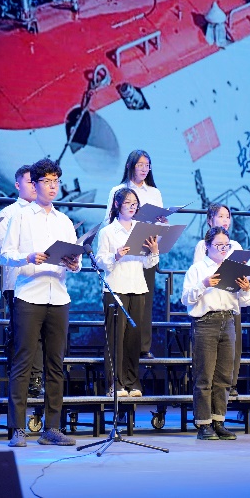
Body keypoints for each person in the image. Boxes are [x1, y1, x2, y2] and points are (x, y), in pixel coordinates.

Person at [0, 158, 82, 447]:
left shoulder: (64, 221)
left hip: (58, 295)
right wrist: (28, 257)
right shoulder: (21, 217)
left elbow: (75, 261)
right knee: (23, 362)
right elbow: (6, 254)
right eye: (46, 181)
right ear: (34, 185)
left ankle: (52, 428)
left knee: (56, 364)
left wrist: (74, 264)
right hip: (29, 295)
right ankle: (18, 429)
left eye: (55, 181)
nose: (52, 186)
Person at [182, 226, 250, 440]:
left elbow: (244, 302)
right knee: (204, 375)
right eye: (218, 245)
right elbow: (186, 299)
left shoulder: (234, 268)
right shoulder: (197, 269)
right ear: (207, 246)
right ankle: (204, 424)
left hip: (228, 321)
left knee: (224, 376)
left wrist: (246, 289)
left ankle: (218, 420)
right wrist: (203, 284)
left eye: (226, 246)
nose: (223, 249)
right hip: (205, 322)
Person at [94, 187, 159, 398]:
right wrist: (116, 255)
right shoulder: (108, 231)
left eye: (135, 204)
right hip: (116, 288)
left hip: (137, 287)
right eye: (128, 203)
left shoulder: (140, 230)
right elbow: (100, 261)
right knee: (116, 339)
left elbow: (148, 263)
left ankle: (132, 382)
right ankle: (115, 383)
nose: (132, 207)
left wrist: (154, 252)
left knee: (133, 339)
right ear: (117, 205)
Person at [0, 165, 45, 398]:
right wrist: (26, 249)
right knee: (21, 332)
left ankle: (36, 378)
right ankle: (19, 378)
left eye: (36, 181)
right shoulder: (9, 213)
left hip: (42, 280)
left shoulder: (45, 213)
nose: (34, 185)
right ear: (17, 185)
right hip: (17, 282)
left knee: (40, 333)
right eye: (29, 181)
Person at [104, 150, 165, 360]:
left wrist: (162, 224)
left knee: (145, 299)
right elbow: (108, 220)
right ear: (130, 166)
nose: (144, 169)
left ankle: (143, 346)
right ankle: (122, 346)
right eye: (140, 164)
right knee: (122, 301)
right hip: (122, 251)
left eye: (147, 165)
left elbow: (159, 221)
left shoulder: (154, 192)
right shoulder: (118, 190)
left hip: (146, 248)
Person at [192, 203, 244, 397]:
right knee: (209, 356)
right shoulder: (202, 245)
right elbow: (198, 273)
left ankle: (231, 384)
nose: (225, 220)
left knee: (233, 347)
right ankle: (212, 389)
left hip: (231, 301)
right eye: (220, 216)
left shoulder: (235, 246)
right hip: (210, 304)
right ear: (210, 220)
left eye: (227, 216)